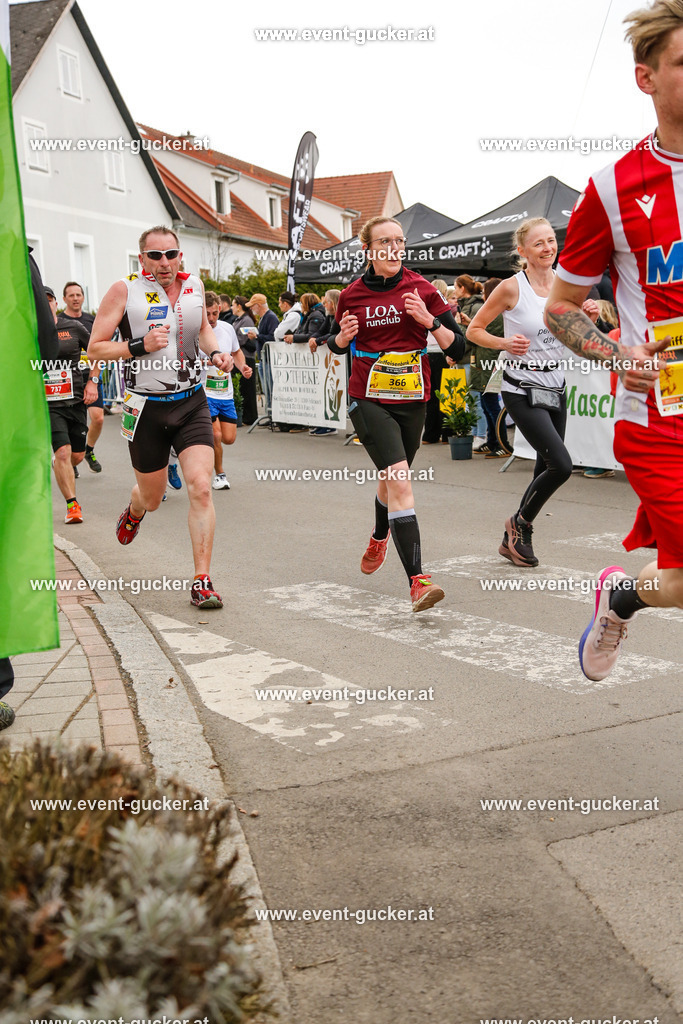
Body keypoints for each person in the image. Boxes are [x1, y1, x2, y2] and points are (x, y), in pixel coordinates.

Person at [544, 0, 683, 682]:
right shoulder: (611, 189)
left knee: (678, 582)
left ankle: (623, 595)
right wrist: (613, 353)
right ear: (646, 78)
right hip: (659, 422)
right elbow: (561, 309)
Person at [87, 225, 233, 609]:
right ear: (142, 259)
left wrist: (216, 353)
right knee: (153, 498)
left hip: (191, 402)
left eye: (171, 254)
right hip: (146, 407)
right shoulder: (125, 289)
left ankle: (202, 581)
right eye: (155, 255)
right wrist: (138, 345)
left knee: (201, 486)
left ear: (179, 254)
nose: (164, 262)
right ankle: (135, 509)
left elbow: (202, 330)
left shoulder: (195, 286)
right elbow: (95, 349)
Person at [328, 215, 465, 611]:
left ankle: (378, 533)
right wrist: (341, 338)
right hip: (367, 397)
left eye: (399, 240)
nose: (392, 247)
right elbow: (337, 344)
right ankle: (418, 581)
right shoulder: (352, 295)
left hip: (413, 397)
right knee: (401, 480)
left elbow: (457, 349)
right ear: (368, 250)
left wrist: (429, 321)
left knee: (393, 479)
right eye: (383, 241)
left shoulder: (421, 288)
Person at [467, 218, 576, 567]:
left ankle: (513, 538)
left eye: (551, 241)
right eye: (539, 243)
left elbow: (574, 330)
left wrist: (585, 315)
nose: (548, 248)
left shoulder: (566, 283)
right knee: (561, 465)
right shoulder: (512, 288)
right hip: (521, 387)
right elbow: (474, 329)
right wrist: (503, 342)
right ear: (522, 251)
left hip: (556, 385)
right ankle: (520, 524)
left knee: (545, 464)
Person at [45, 289, 100, 523]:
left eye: (48, 301)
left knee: (76, 455)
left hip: (76, 400)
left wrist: (92, 382)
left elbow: (97, 352)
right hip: (49, 404)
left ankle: (61, 464)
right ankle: (72, 505)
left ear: (56, 303)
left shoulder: (72, 328)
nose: (44, 305)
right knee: (63, 452)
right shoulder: (30, 333)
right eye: (40, 301)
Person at [203, 291, 253, 490]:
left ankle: (200, 448)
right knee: (215, 436)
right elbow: (186, 361)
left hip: (225, 392)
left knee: (228, 438)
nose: (212, 318)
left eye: (215, 313)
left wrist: (243, 367)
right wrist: (210, 360)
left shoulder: (227, 328)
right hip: (204, 392)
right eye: (207, 314)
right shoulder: (196, 332)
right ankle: (219, 475)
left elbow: (236, 351)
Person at [60, 281, 104, 473]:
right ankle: (73, 455)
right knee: (70, 422)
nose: (76, 298)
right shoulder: (59, 322)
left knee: (98, 418)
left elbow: (100, 347)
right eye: (71, 295)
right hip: (69, 380)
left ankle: (88, 450)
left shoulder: (91, 320)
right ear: (64, 299)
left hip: (92, 375)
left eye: (78, 295)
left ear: (83, 297)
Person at [422, 279, 462, 445]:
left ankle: (430, 434)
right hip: (442, 352)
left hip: (427, 353)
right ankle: (447, 433)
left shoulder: (424, 308)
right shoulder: (447, 310)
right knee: (447, 395)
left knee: (431, 395)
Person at [473, 278, 506, 458]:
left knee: (491, 405)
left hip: (490, 362)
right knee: (487, 405)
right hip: (487, 361)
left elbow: (476, 333)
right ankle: (493, 441)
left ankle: (502, 443)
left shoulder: (495, 312)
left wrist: (467, 325)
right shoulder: (496, 311)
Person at [454, 275, 487, 448]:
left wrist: (455, 351)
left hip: (471, 358)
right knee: (470, 399)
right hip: (465, 357)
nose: (454, 290)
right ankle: (476, 434)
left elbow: (471, 336)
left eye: (456, 287)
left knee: (475, 398)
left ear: (462, 288)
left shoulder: (475, 307)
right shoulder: (467, 306)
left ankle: (481, 434)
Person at [307, 289, 342, 435]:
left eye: (326, 302)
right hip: (328, 361)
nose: (324, 305)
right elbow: (321, 331)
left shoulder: (339, 316)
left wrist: (317, 340)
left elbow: (334, 334)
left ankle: (331, 424)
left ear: (333, 303)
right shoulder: (328, 316)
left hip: (339, 361)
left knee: (334, 392)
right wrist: (313, 338)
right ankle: (325, 423)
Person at [231, 296, 257, 424]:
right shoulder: (238, 320)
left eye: (233, 305)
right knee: (242, 387)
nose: (231, 307)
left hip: (246, 356)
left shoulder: (246, 320)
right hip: (239, 356)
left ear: (239, 306)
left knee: (248, 388)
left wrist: (231, 344)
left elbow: (240, 339)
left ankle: (250, 416)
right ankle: (245, 415)